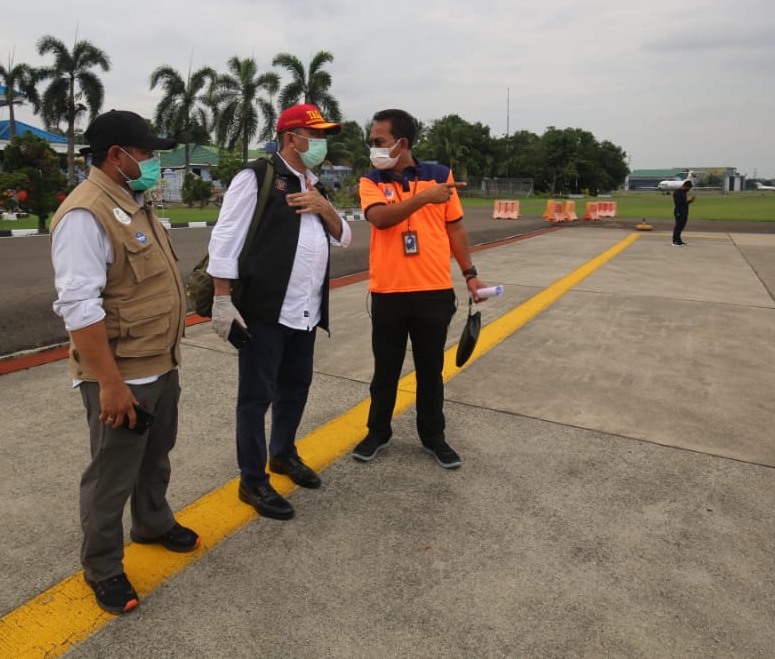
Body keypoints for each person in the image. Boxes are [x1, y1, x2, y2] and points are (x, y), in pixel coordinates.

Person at [49, 110, 198, 615]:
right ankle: (104, 567)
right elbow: (79, 309)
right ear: (118, 156)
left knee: (155, 456)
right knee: (112, 473)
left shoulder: (134, 203)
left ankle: (153, 522)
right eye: (148, 153)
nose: (154, 162)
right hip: (122, 376)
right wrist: (110, 384)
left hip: (160, 361)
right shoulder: (84, 215)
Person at [208, 104, 352, 520]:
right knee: (256, 398)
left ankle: (283, 453)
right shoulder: (256, 177)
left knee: (296, 387)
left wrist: (326, 209)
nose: (321, 144)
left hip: (305, 312)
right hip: (265, 312)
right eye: (316, 134)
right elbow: (225, 241)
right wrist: (222, 299)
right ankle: (252, 480)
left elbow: (342, 238)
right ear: (292, 138)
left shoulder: (314, 184)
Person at [352, 108, 487, 470]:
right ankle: (378, 431)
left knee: (431, 371)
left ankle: (433, 436)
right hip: (388, 293)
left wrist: (470, 274)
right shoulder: (371, 181)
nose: (373, 148)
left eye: (379, 141)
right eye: (372, 142)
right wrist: (425, 199)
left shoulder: (440, 176)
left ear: (403, 142)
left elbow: (455, 229)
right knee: (386, 371)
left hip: (433, 291)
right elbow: (380, 219)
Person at [672, 180, 694, 246]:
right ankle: (675, 241)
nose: (689, 189)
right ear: (685, 186)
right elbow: (679, 203)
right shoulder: (677, 192)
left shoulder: (683, 192)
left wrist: (690, 201)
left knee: (681, 227)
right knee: (678, 227)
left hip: (684, 212)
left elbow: (684, 203)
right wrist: (688, 201)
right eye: (688, 188)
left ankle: (679, 240)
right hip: (679, 212)